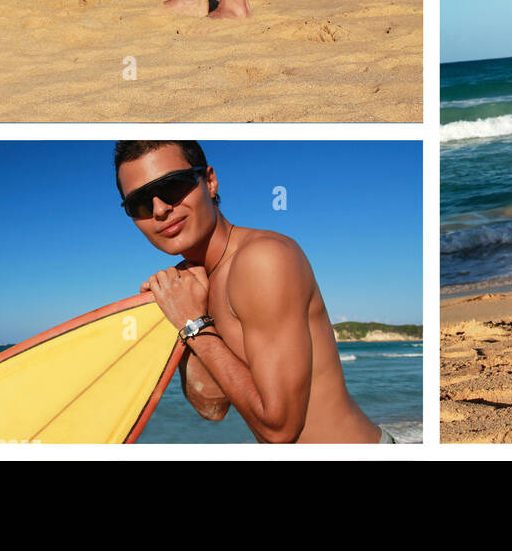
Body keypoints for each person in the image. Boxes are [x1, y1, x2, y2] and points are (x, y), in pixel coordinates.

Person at [117, 139, 389, 442]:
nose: (159, 209)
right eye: (139, 202)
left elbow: (279, 428)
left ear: (209, 181)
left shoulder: (263, 259)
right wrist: (183, 319)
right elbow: (212, 408)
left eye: (174, 186)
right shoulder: (196, 286)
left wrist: (191, 324)